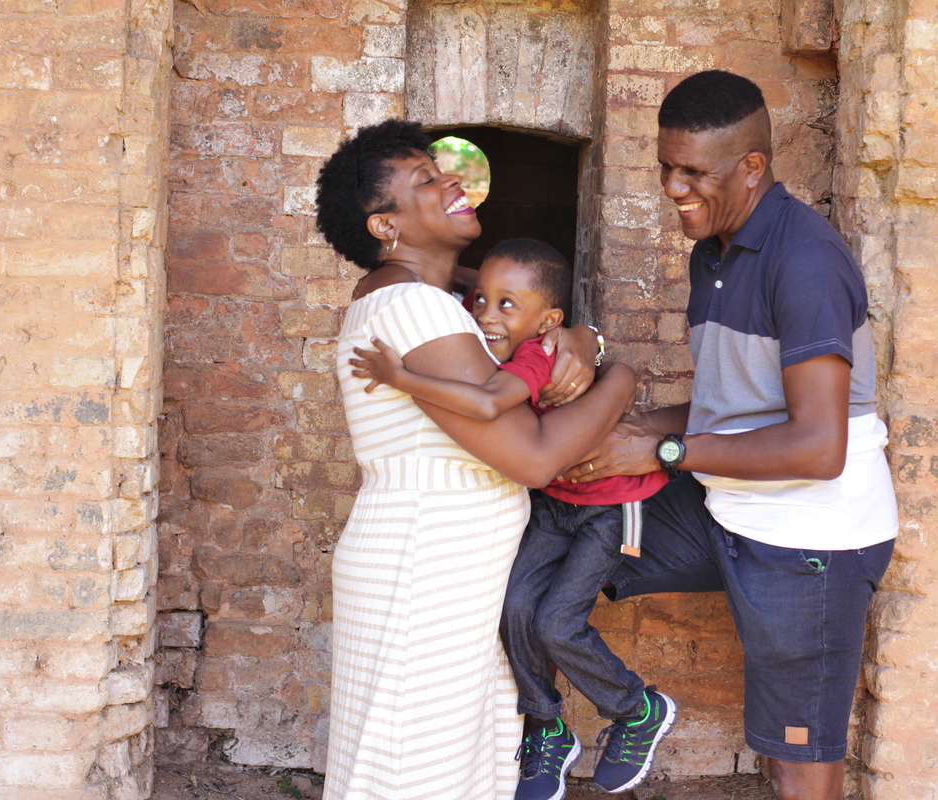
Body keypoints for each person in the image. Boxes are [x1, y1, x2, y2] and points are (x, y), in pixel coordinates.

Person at [560, 71, 899, 800]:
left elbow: (817, 445)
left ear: (753, 168)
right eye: (665, 167)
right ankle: (569, 726)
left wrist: (661, 451)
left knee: (797, 759)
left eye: (693, 173)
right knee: (561, 532)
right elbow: (738, 404)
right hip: (729, 507)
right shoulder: (712, 248)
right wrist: (642, 425)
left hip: (813, 538)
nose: (673, 188)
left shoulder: (803, 261)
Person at [316, 119, 630, 800]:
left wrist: (580, 337)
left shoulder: (434, 302)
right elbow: (533, 455)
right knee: (409, 774)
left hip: (445, 575)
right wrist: (620, 378)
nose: (452, 181)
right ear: (384, 226)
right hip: (422, 573)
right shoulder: (413, 308)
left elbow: (519, 329)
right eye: (426, 181)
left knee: (451, 769)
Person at [350, 238, 676, 800]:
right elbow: (467, 287)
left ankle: (636, 708)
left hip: (607, 505)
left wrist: (402, 379)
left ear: (548, 319)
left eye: (506, 305)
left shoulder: (535, 356)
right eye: (480, 300)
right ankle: (547, 728)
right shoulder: (490, 339)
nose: (485, 314)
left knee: (555, 621)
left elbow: (483, 404)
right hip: (555, 503)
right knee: (515, 607)